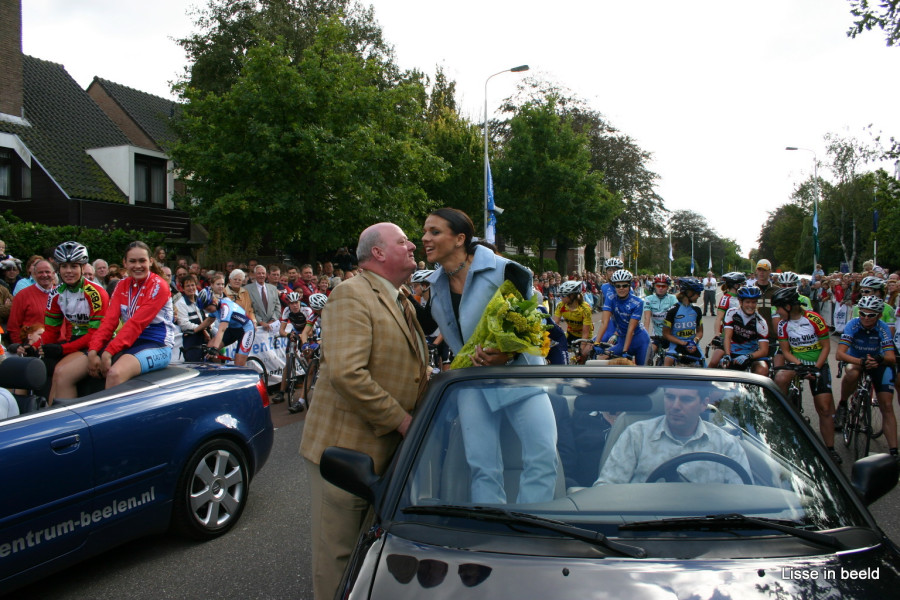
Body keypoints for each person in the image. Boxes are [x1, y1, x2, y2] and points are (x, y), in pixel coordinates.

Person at [299, 222, 428, 600]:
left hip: (379, 452)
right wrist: (403, 421)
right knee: (337, 557)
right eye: (403, 241)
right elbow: (346, 373)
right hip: (343, 451)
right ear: (378, 253)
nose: (412, 245)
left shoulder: (401, 296)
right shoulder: (351, 294)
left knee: (365, 550)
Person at [419, 208, 558, 504]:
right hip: (472, 384)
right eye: (425, 232)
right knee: (481, 467)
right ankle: (492, 531)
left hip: (520, 379)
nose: (425, 239)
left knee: (542, 457)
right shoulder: (433, 285)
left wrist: (507, 354)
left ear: (459, 239)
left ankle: (531, 528)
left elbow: (536, 321)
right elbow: (428, 329)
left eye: (434, 232)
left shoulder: (507, 270)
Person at [594, 385, 751, 485]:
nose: (675, 406)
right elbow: (607, 488)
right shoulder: (636, 435)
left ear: (704, 403)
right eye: (670, 397)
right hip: (641, 531)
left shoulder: (726, 445)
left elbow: (743, 502)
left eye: (686, 399)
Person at [80, 242, 175, 390]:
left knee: (114, 374)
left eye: (142, 261)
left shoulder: (159, 285)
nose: (137, 266)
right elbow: (109, 322)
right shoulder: (121, 285)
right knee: (67, 372)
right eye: (132, 261)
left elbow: (136, 324)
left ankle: (109, 413)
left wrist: (108, 352)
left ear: (150, 261)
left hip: (158, 345)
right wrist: (93, 350)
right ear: (125, 263)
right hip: (130, 342)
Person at [771, 286, 840, 463]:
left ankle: (830, 449)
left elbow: (826, 346)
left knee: (824, 407)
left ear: (788, 306)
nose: (777, 312)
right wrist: (800, 365)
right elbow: (785, 351)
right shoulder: (783, 325)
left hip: (818, 364)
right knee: (780, 378)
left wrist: (816, 368)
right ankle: (781, 414)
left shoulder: (814, 319)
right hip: (797, 362)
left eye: (779, 307)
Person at [42, 242, 110, 403]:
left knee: (63, 373)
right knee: (55, 372)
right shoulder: (56, 294)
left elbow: (96, 334)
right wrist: (42, 348)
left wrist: (62, 349)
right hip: (75, 342)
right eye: (64, 266)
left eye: (74, 266)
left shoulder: (95, 293)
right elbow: (51, 330)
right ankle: (48, 415)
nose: (68, 271)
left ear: (83, 267)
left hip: (98, 343)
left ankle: (65, 422)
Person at [835, 295, 897, 458]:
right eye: (862, 314)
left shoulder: (883, 328)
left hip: (877, 363)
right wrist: (861, 361)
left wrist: (880, 359)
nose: (865, 318)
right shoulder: (853, 325)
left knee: (887, 405)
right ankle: (843, 404)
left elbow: (890, 357)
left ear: (878, 316)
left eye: (870, 315)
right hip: (856, 359)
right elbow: (840, 354)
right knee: (852, 372)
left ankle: (894, 452)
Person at [594, 269, 651, 364]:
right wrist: (597, 342)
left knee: (641, 373)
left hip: (640, 340)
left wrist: (625, 350)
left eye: (624, 285)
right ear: (614, 286)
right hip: (622, 339)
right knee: (603, 360)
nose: (621, 288)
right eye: (618, 286)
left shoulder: (638, 302)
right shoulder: (611, 299)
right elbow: (604, 322)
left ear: (629, 286)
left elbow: (631, 329)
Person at [716, 285, 770, 376]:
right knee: (715, 361)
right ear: (740, 302)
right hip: (732, 351)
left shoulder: (761, 322)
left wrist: (749, 356)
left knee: (763, 370)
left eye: (754, 302)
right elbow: (728, 337)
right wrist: (727, 355)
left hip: (751, 354)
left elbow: (764, 350)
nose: (751, 305)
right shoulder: (731, 313)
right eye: (747, 302)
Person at [197, 286, 256, 368]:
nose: (207, 311)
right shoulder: (215, 307)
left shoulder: (225, 307)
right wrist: (194, 330)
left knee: (239, 365)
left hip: (246, 330)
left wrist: (215, 348)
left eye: (208, 308)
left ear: (213, 301)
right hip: (233, 329)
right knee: (209, 348)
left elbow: (221, 330)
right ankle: (219, 370)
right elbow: (209, 320)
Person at [8, 259, 58, 344]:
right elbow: (13, 327)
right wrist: (21, 347)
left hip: (58, 346)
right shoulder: (22, 295)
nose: (44, 275)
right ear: (34, 274)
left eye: (47, 272)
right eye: (40, 272)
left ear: (53, 274)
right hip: (32, 347)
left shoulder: (62, 294)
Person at [662, 278, 705, 366]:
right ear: (688, 292)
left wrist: (695, 341)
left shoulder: (697, 310)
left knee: (705, 367)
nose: (699, 296)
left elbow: (700, 331)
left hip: (692, 344)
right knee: (667, 362)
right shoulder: (672, 311)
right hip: (677, 345)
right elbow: (666, 334)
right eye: (698, 293)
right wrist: (684, 343)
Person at [553, 279, 593, 361]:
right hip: (571, 334)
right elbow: (555, 324)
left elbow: (585, 332)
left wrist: (581, 350)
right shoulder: (561, 305)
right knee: (558, 349)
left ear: (572, 296)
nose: (561, 297)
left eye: (563, 295)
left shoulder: (585, 308)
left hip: (585, 336)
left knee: (582, 356)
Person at [173, 274, 209, 362]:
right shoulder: (180, 303)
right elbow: (184, 324)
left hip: (204, 340)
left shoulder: (200, 300)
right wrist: (203, 329)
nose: (191, 288)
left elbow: (207, 317)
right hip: (191, 341)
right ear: (182, 288)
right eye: (187, 286)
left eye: (192, 285)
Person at [642, 273, 677, 359]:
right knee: (648, 355)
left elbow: (676, 318)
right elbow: (647, 319)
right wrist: (646, 336)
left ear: (668, 287)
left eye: (663, 286)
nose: (660, 288)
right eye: (658, 286)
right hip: (657, 335)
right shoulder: (648, 299)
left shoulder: (672, 299)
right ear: (654, 286)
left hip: (671, 334)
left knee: (672, 358)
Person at [245, 264, 280, 331]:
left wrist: (272, 321)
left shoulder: (273, 288)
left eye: (263, 273)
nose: (261, 275)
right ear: (255, 275)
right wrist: (260, 322)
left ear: (266, 275)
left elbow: (277, 307)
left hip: (272, 326)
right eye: (259, 273)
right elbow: (248, 308)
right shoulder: (247, 289)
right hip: (256, 327)